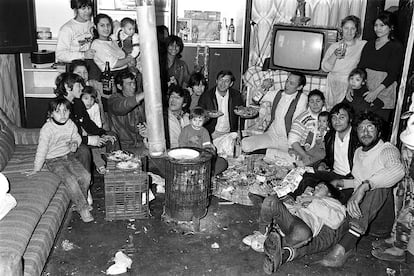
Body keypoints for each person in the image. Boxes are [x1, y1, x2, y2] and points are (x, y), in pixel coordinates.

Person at [256, 112, 404, 274]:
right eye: (361, 128)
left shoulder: (387, 150)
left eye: (370, 128)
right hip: (355, 215)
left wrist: (364, 187)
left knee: (378, 187)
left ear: (379, 132)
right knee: (327, 231)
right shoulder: (359, 152)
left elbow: (397, 170)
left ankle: (344, 247)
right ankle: (285, 252)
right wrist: (332, 185)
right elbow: (355, 180)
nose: (365, 132)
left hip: (377, 219)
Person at [28, 98, 93, 223]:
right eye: (58, 111)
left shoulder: (70, 124)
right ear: (51, 114)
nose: (63, 115)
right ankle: (83, 208)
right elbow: (42, 149)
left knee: (86, 176)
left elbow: (77, 137)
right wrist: (36, 168)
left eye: (65, 111)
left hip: (68, 156)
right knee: (71, 180)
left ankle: (81, 201)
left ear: (69, 112)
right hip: (53, 160)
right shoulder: (47, 129)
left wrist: (75, 143)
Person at [243, 183, 345, 254]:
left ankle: (273, 243)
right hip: (288, 219)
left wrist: (313, 202)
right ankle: (263, 235)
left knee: (303, 233)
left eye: (321, 187)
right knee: (270, 201)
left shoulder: (334, 203)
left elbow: (336, 221)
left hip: (301, 226)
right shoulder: (306, 196)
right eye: (316, 186)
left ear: (329, 193)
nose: (316, 188)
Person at [289, 103, 360, 203]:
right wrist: (323, 164)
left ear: (350, 119)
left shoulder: (357, 138)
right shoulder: (330, 136)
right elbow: (327, 157)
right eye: (334, 118)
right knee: (303, 175)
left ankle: (311, 204)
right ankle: (291, 201)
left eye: (342, 117)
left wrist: (338, 183)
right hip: (333, 173)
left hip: (350, 180)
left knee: (334, 196)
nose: (337, 121)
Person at [350, 11, 404, 137]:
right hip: (365, 87)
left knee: (376, 130)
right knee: (360, 126)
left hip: (384, 90)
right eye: (376, 25)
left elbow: (392, 75)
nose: (378, 29)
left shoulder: (396, 46)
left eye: (382, 25)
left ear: (391, 27)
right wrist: (351, 86)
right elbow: (360, 68)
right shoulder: (369, 44)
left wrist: (375, 92)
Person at [54, 72, 118, 173]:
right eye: (79, 85)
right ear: (67, 87)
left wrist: (102, 133)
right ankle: (85, 183)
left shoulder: (78, 102)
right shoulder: (58, 107)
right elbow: (64, 137)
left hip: (80, 139)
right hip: (65, 145)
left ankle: (114, 174)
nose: (82, 88)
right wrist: (89, 140)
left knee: (112, 137)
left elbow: (87, 123)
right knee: (83, 151)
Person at [241, 71, 307, 163]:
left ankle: (268, 153)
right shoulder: (278, 93)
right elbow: (256, 99)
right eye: (287, 81)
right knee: (245, 144)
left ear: (299, 87)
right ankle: (273, 155)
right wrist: (263, 86)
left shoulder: (302, 98)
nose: (287, 85)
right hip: (272, 136)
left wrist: (292, 147)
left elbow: (296, 124)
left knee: (296, 159)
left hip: (287, 141)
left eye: (291, 83)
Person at [321, 15, 366, 110]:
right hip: (333, 84)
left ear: (357, 30)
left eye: (352, 28)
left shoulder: (362, 45)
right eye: (346, 28)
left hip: (350, 84)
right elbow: (325, 68)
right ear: (341, 29)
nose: (349, 32)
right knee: (332, 112)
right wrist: (334, 55)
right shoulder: (334, 46)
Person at [198, 70, 244, 138]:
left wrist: (239, 131)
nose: (223, 83)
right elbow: (199, 114)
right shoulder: (206, 96)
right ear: (216, 81)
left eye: (227, 81)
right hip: (211, 133)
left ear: (231, 84)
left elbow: (241, 113)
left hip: (229, 133)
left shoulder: (236, 96)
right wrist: (208, 116)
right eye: (221, 80)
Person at [107, 71, 145, 148]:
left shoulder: (140, 99)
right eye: (129, 84)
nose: (133, 86)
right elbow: (122, 107)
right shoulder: (113, 100)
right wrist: (145, 93)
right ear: (119, 86)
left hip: (141, 142)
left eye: (134, 83)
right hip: (122, 145)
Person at [287, 89, 326, 166]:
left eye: (318, 101)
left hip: (321, 149)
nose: (315, 104)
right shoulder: (302, 119)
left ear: (323, 102)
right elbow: (292, 140)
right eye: (311, 102)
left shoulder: (328, 116)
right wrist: (304, 155)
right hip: (304, 149)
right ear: (308, 104)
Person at [69, 59, 110, 130]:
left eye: (85, 72)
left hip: (99, 123)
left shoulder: (93, 85)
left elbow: (111, 95)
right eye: (79, 73)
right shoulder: (71, 91)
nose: (83, 76)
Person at [81, 86, 107, 174]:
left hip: (94, 130)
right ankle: (100, 165)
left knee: (103, 143)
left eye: (92, 99)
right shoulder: (78, 108)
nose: (89, 102)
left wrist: (100, 134)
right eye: (86, 98)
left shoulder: (95, 106)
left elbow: (98, 123)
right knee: (94, 147)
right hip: (83, 134)